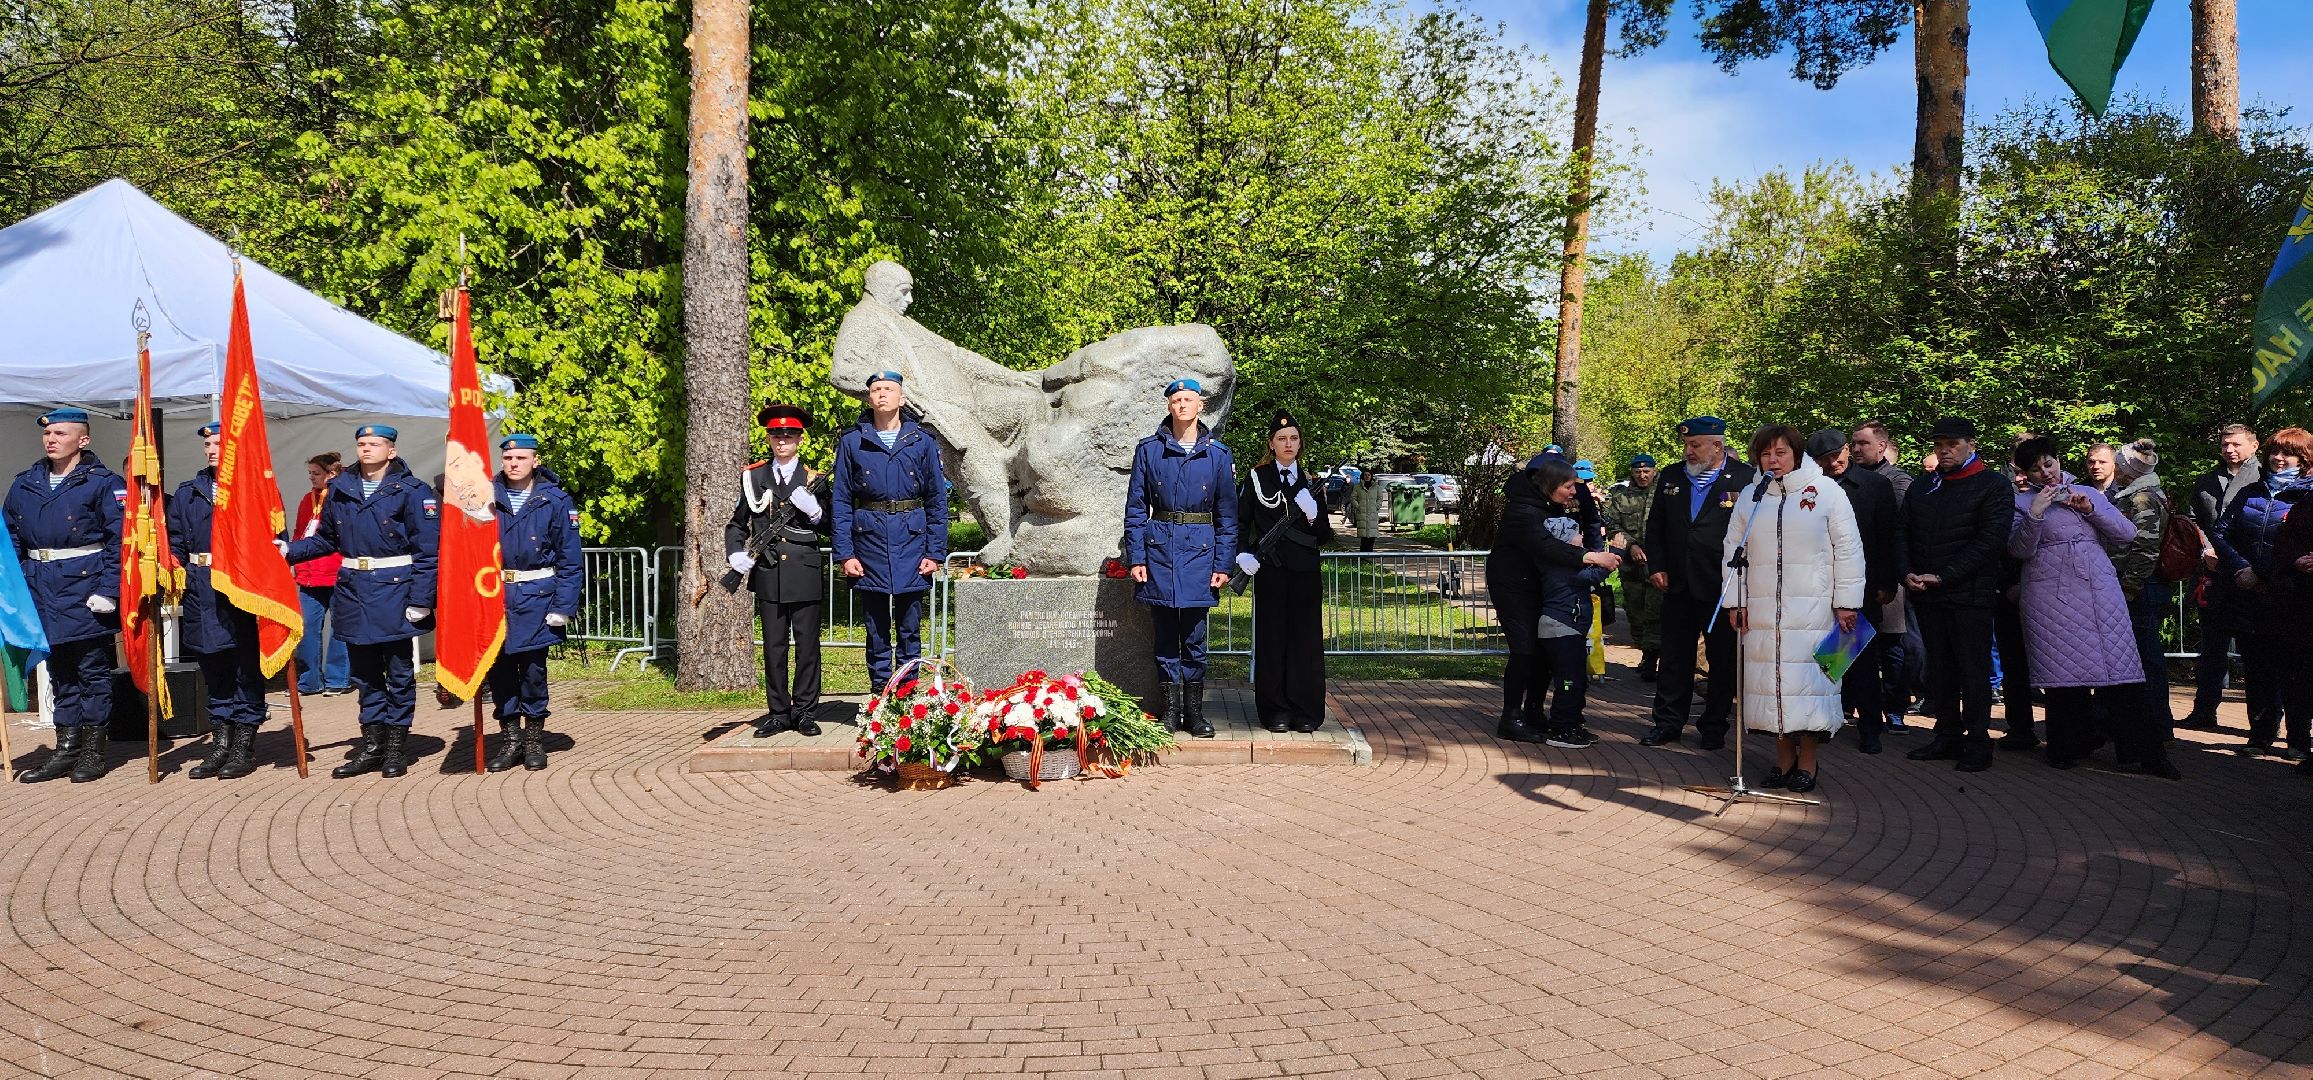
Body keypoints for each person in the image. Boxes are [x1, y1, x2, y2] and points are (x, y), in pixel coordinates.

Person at [2008, 437, 2179, 778]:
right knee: (2063, 675)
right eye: (2036, 469)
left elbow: (2127, 534)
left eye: (2049, 464)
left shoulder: (2087, 492)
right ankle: (2067, 746)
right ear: (2025, 474)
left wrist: (2090, 510)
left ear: (2058, 462)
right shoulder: (2020, 502)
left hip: (2099, 589)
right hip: (2050, 595)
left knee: (2123, 672)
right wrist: (2036, 513)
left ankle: (2145, 753)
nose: (2046, 473)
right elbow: (2019, 550)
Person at [284, 423, 440, 779]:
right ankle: (372, 746)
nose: (366, 449)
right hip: (354, 591)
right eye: (361, 443)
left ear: (392, 450)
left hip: (396, 591)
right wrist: (289, 551)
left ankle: (396, 749)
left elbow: (429, 552)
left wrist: (422, 598)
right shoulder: (340, 487)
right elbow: (326, 540)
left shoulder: (413, 491)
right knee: (365, 676)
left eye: (374, 444)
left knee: (399, 674)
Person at [1724, 426, 1865, 792]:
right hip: (1763, 609)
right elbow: (1732, 551)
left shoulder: (1827, 493)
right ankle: (1783, 761)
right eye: (1766, 453)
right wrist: (1735, 601)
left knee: (1808, 687)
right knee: (1772, 687)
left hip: (1814, 611)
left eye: (1781, 452)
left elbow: (1848, 549)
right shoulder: (1751, 497)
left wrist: (1847, 602)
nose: (1773, 460)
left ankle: (1808, 762)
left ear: (1797, 454)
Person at [7, 408, 123, 783]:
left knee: (92, 671)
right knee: (59, 673)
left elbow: (120, 541)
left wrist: (108, 589)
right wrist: (19, 582)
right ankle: (65, 749)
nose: (51, 439)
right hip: (41, 587)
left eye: (60, 433)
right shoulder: (25, 483)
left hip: (86, 589)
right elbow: (9, 538)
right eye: (47, 434)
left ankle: (92, 751)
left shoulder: (103, 483)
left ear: (83, 440)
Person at [1898, 418, 2015, 772]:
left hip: (1970, 595)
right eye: (1939, 444)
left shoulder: (1992, 485)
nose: (1945, 450)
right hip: (1928, 594)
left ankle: (1978, 740)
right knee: (1940, 669)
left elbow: (1990, 541)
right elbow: (1902, 533)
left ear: (1971, 444)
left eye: (1952, 444)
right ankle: (1947, 734)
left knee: (1973, 670)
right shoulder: (1923, 487)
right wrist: (1906, 573)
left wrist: (1945, 576)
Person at [1124, 378, 1239, 738]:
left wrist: (1223, 564)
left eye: (1189, 399)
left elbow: (1227, 517)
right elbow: (1135, 509)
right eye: (1177, 400)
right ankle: (1171, 712)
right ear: (1169, 407)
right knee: (1164, 636)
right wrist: (1136, 556)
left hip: (1200, 553)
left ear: (1200, 406)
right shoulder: (1148, 451)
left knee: (1194, 637)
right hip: (1159, 550)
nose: (1183, 405)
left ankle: (1195, 712)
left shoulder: (1217, 455)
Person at [1640, 416, 1757, 750]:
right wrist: (1656, 566)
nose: (1688, 451)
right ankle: (1667, 723)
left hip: (1722, 586)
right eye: (1686, 445)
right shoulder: (1673, 476)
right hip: (1676, 583)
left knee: (1722, 660)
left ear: (1717, 446)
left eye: (1695, 445)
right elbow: (1657, 526)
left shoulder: (1746, 479)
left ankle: (1714, 726)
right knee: (1674, 657)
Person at [832, 371, 948, 692]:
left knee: (910, 628)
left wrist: (934, 552)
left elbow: (937, 500)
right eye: (876, 389)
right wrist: (845, 554)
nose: (882, 394)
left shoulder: (922, 441)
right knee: (877, 629)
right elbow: (841, 501)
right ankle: (881, 694)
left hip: (912, 544)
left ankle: (908, 694)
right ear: (869, 398)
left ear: (901, 398)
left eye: (889, 389)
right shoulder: (853, 441)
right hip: (868, 545)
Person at [1490, 456, 1619, 746]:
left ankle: (1534, 712)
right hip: (1513, 588)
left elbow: (1585, 518)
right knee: (1525, 650)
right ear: (1548, 484)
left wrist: (1584, 494)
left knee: (1541, 652)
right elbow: (1546, 546)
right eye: (1568, 486)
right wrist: (1591, 556)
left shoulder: (1546, 504)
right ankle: (1510, 718)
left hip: (1536, 585)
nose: (1573, 492)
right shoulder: (1521, 511)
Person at [727, 404, 834, 739]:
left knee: (807, 646)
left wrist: (815, 511)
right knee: (774, 647)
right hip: (769, 571)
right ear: (769, 438)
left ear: (800, 438)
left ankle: (804, 711)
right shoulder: (754, 477)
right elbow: (736, 523)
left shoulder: (814, 480)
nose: (782, 440)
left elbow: (833, 525)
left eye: (789, 435)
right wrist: (735, 554)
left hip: (804, 570)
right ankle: (777, 713)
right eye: (776, 434)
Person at [171, 423, 271, 780]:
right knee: (213, 669)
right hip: (201, 587)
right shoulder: (188, 493)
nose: (211, 449)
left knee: (245, 668)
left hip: (241, 589)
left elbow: (274, 539)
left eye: (219, 443)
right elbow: (175, 541)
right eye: (208, 444)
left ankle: (244, 744)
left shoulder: (255, 490)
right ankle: (221, 742)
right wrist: (168, 569)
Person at [482, 434, 585, 772]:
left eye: (521, 458)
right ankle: (510, 740)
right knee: (499, 674)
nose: (514, 464)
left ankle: (533, 740)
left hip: (537, 597)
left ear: (535, 461)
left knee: (533, 673)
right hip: (495, 596)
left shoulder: (554, 500)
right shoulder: (483, 497)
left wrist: (563, 607)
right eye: (509, 458)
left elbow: (570, 560)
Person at [2210, 427, 2313, 761]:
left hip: (2294, 597)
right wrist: (2243, 569)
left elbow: (2294, 547)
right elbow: (2222, 534)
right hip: (2250, 594)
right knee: (2258, 670)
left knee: (2296, 671)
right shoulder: (2251, 491)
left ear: (2304, 459)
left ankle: (2298, 740)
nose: (2279, 459)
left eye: (2288, 454)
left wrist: (2264, 571)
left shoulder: (2308, 497)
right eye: (2274, 453)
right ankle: (2260, 736)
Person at [1235, 410, 1332, 732]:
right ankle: (1275, 710)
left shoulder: (1313, 482)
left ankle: (1306, 711)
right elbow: (1240, 521)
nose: (1288, 444)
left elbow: (1323, 536)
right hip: (1271, 571)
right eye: (1282, 439)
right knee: (1273, 640)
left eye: (1293, 438)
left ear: (1300, 444)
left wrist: (1315, 513)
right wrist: (1242, 554)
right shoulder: (1257, 478)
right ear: (1271, 444)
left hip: (1305, 573)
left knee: (1305, 642)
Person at [1808, 429, 1902, 754]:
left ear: (1847, 450)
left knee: (1860, 659)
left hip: (1863, 585)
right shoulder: (1809, 488)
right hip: (1817, 585)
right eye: (1824, 459)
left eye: (1837, 455)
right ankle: (1824, 721)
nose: (1833, 463)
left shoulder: (1876, 485)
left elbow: (1889, 536)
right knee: (1826, 658)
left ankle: (1870, 728)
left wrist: (1888, 582)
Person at [2183, 423, 2260, 730]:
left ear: (2254, 446)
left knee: (2255, 655)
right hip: (2213, 577)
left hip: (2250, 577)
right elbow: (2191, 521)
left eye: (2236, 444)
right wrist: (2204, 548)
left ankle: (2260, 724)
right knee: (2211, 651)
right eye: (2225, 444)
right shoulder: (2206, 480)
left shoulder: (2264, 480)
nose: (2230, 449)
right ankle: (2204, 712)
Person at [2105, 439, 2176, 740]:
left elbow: (2146, 550)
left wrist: (2128, 589)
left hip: (2141, 590)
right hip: (2138, 588)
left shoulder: (2143, 499)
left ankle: (2156, 729)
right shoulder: (2136, 494)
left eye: (2119, 464)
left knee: (2147, 660)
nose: (2115, 469)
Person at [1849, 420, 1917, 730]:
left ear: (1881, 446)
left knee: (1890, 646)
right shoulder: (1845, 479)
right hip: (1853, 579)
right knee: (1849, 641)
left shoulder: (1896, 480)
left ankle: (1894, 708)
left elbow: (1894, 528)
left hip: (1885, 576)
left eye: (1863, 443)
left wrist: (1889, 578)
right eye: (1853, 443)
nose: (1856, 449)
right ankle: (1848, 703)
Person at [293, 452, 353, 696]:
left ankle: (338, 679)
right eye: (310, 473)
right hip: (309, 575)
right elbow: (299, 533)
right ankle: (309, 681)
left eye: (316, 474)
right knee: (306, 626)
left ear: (332, 474)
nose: (311, 478)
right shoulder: (307, 500)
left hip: (337, 572)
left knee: (340, 628)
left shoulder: (344, 498)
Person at [1992, 441, 2039, 752]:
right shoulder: (2000, 498)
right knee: (2014, 661)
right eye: (2016, 471)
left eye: (2028, 471)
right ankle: (2021, 726)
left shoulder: (2063, 496)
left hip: (2050, 591)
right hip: (2008, 592)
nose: (2021, 478)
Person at [2267, 479, 2313, 777]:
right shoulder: (2305, 503)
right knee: (2300, 674)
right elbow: (2284, 539)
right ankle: (2299, 740)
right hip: (2302, 603)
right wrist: (2295, 559)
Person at [1603, 455, 1663, 680]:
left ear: (1654, 471)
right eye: (1638, 472)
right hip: (1631, 567)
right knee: (1635, 612)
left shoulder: (1665, 493)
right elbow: (1611, 525)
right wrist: (1631, 545)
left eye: (1647, 471)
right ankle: (1645, 652)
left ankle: (1652, 658)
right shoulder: (1621, 497)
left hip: (1658, 564)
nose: (1642, 475)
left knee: (1656, 612)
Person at [1351, 464, 1383, 553]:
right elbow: (1353, 498)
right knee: (1364, 538)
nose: (1367, 476)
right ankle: (1363, 556)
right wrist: (1358, 507)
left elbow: (1380, 498)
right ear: (1362, 476)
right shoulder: (1357, 487)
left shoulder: (1376, 487)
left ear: (1371, 476)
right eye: (1365, 475)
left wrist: (1377, 506)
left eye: (1369, 475)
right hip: (1362, 515)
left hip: (1373, 514)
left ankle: (1370, 554)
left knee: (1372, 536)